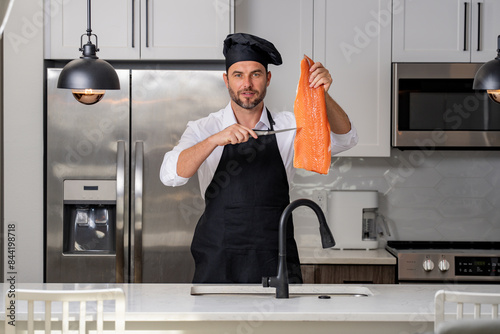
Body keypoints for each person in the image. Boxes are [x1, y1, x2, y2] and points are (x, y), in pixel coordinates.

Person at [160, 33, 358, 284]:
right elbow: (170, 175)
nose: (247, 84)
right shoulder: (204, 129)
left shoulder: (290, 125)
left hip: (274, 258)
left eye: (256, 74)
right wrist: (214, 140)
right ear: (226, 80)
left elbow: (346, 139)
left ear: (268, 78)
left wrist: (322, 96)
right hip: (219, 259)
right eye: (238, 75)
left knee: (279, 325)